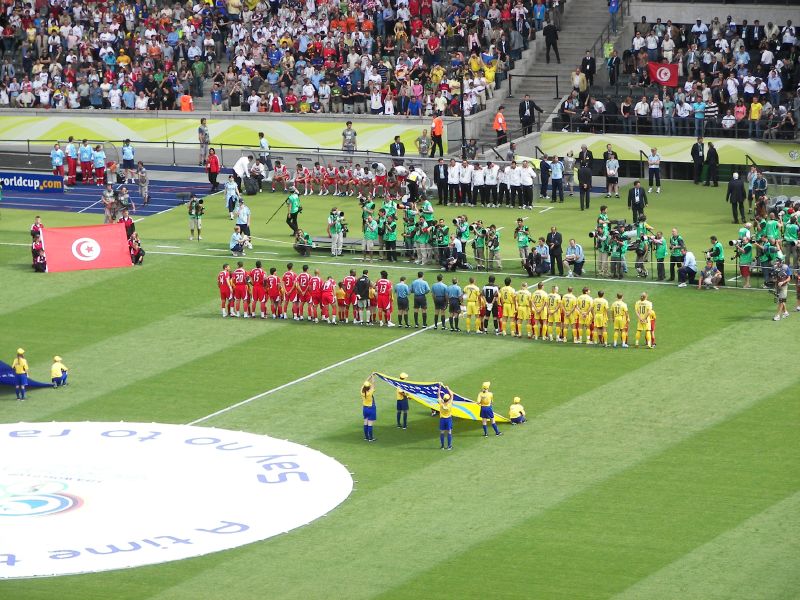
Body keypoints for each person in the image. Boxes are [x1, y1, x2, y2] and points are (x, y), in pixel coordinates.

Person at [361, 375, 377, 442]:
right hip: (371, 408)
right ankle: (370, 438)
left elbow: (365, 382)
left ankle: (366, 437)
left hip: (365, 408)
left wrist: (370, 376)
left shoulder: (362, 391)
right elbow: (373, 383)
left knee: (365, 422)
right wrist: (373, 376)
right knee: (370, 424)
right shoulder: (370, 392)